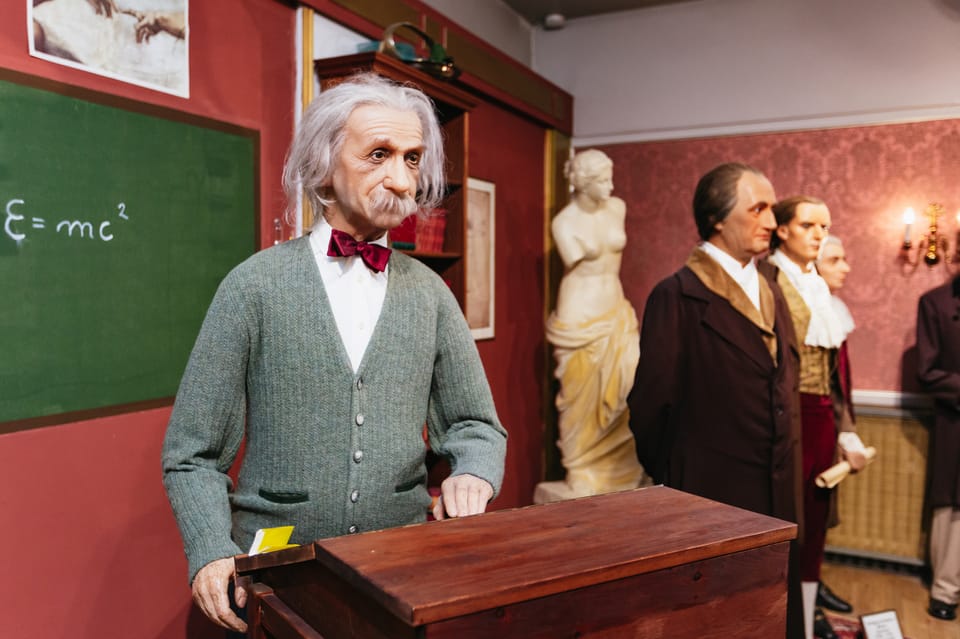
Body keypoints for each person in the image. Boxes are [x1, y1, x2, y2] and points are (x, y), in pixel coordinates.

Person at [161, 73, 508, 634]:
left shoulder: (432, 295)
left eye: (412, 159)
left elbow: (476, 424)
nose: (402, 180)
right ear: (323, 166)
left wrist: (474, 473)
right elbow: (192, 454)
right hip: (279, 579)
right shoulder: (253, 287)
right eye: (379, 155)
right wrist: (209, 548)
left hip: (402, 573)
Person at [628, 162, 804, 639]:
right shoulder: (676, 297)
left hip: (777, 498)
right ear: (717, 218)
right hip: (712, 500)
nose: (772, 221)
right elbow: (650, 409)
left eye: (772, 209)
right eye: (758, 208)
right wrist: (683, 480)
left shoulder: (771, 290)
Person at [769, 204, 866, 639]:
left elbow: (835, 376)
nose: (818, 234)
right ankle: (780, 621)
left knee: (814, 529)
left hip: (822, 417)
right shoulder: (769, 280)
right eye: (808, 225)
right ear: (782, 229)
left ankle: (805, 623)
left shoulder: (817, 289)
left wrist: (846, 431)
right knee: (784, 525)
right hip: (788, 418)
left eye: (824, 226)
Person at [544, 149, 644, 497]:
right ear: (583, 184)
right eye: (602, 181)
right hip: (579, 316)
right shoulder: (564, 223)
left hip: (615, 310)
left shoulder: (617, 207)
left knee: (627, 384)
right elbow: (573, 260)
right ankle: (580, 467)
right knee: (578, 398)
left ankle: (618, 468)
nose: (610, 187)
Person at [916, 273, 960, 621]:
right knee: (953, 506)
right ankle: (946, 589)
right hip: (956, 422)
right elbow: (927, 372)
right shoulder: (936, 303)